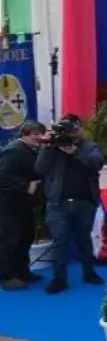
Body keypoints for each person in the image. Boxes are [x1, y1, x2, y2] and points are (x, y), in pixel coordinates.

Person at [35, 115, 106, 294]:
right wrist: (49, 146)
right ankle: (59, 279)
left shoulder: (89, 146)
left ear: (78, 131)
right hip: (57, 203)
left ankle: (89, 273)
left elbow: (96, 163)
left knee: (84, 239)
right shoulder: (52, 148)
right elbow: (39, 169)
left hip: (84, 202)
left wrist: (75, 152)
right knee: (59, 241)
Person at [0, 121, 47, 290]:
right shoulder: (13, 151)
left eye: (40, 133)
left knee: (25, 237)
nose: (39, 137)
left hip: (24, 204)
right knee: (10, 240)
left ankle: (22, 271)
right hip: (9, 205)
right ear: (24, 134)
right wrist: (26, 186)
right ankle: (7, 276)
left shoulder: (31, 150)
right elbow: (2, 176)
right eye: (35, 134)